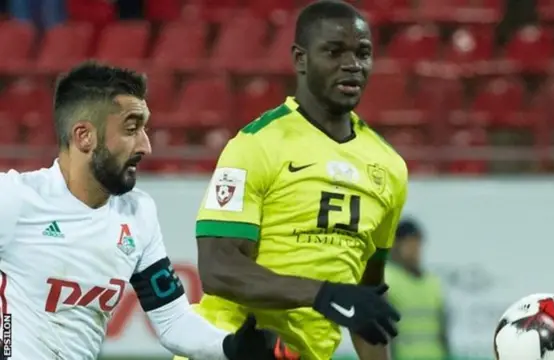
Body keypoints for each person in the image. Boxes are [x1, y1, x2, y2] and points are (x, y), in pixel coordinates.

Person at [0, 61, 286, 360]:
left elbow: (173, 321)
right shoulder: (16, 198)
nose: (146, 146)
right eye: (131, 128)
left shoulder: (138, 213)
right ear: (84, 136)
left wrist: (234, 347)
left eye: (144, 129)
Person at [176, 1, 409, 359]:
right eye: (334, 52)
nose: (352, 65)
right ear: (300, 59)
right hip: (235, 349)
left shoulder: (389, 167)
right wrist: (323, 294)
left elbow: (366, 297)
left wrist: (343, 300)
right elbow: (218, 268)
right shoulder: (256, 145)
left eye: (363, 53)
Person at [386, 219, 450, 360]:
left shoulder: (433, 282)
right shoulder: (387, 280)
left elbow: (443, 330)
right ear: (396, 245)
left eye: (417, 244)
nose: (415, 250)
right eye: (409, 244)